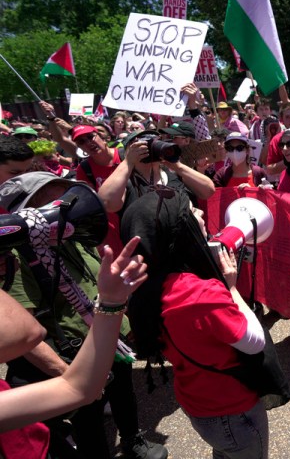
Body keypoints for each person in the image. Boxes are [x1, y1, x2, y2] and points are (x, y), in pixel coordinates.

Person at [0, 173, 167, 459]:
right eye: (56, 195)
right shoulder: (21, 257)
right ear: (32, 208)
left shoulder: (75, 237)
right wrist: (65, 375)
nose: (68, 201)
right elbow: (27, 337)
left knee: (124, 395)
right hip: (75, 356)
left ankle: (132, 440)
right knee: (88, 422)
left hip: (109, 341)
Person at [120, 190, 269, 459]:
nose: (201, 213)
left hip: (198, 402)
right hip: (233, 409)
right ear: (177, 232)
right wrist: (232, 289)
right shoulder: (199, 294)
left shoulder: (144, 285)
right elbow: (255, 342)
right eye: (190, 211)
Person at [98, 129, 215, 215]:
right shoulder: (127, 181)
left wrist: (177, 166)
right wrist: (128, 162)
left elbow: (208, 191)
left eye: (155, 141)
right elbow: (107, 203)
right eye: (142, 143)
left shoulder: (173, 174)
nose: (149, 147)